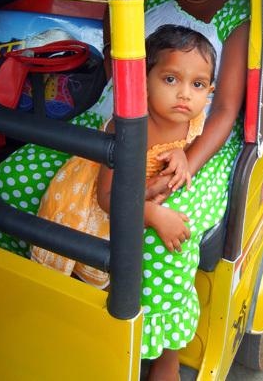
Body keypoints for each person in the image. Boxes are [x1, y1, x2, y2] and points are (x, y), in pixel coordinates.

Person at [0, 0, 249, 380]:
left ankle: (154, 348)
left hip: (198, 139)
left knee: (164, 238)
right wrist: (126, 104)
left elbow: (226, 108)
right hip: (122, 114)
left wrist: (188, 155)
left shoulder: (239, 10)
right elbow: (113, 48)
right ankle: (31, 300)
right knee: (14, 180)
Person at [31, 25, 216, 290]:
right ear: (144, 81)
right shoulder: (127, 129)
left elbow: (193, 140)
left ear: (209, 91)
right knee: (95, 266)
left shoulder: (194, 117)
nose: (185, 94)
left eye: (197, 84)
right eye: (171, 79)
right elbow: (105, 198)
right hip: (96, 201)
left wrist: (182, 156)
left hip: (135, 193)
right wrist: (153, 215)